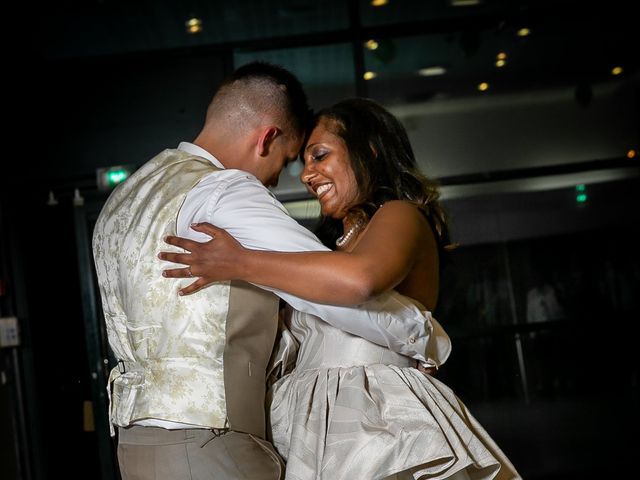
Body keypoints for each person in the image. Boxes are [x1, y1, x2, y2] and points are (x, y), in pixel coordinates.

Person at [93, 64, 445, 480]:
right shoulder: (225, 190)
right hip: (212, 442)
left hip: (137, 443)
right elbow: (335, 290)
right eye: (293, 159)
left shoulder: (124, 199)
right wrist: (426, 336)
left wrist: (241, 264)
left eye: (319, 156)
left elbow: (345, 281)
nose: (283, 179)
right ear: (267, 138)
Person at [160, 98, 522, 479]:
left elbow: (360, 279)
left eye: (319, 156)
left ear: (370, 150)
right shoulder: (326, 249)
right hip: (312, 422)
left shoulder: (401, 214)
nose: (306, 175)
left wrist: (240, 261)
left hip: (378, 421)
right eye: (304, 163)